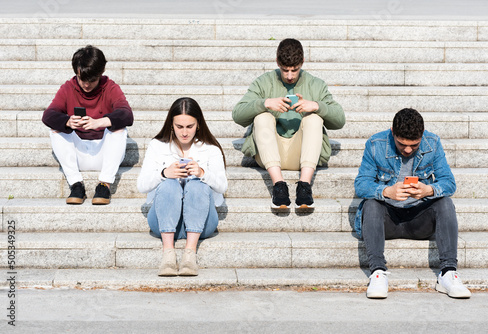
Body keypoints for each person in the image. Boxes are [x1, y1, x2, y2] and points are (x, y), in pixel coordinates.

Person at [354, 108, 471, 299]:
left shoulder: (432, 143)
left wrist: (429, 190)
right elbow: (361, 184)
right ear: (392, 132)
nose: (408, 150)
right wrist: (386, 191)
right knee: (371, 204)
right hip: (387, 220)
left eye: (414, 145)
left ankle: (448, 273)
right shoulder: (376, 144)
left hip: (419, 220)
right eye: (402, 144)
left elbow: (449, 183)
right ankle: (377, 272)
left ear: (422, 136)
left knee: (445, 203)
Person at [232, 38, 345, 209]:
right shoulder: (264, 81)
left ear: (303, 62)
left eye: (295, 70)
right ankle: (279, 186)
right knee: (262, 117)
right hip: (269, 154)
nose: (290, 76)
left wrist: (315, 106)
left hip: (302, 155)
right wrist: (265, 103)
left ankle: (304, 186)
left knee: (314, 118)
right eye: (285, 70)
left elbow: (340, 120)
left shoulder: (316, 84)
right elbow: (237, 115)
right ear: (277, 62)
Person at [137, 97, 227, 277]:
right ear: (171, 125)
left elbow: (223, 186)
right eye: (179, 127)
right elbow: (141, 186)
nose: (184, 132)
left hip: (203, 222)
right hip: (163, 221)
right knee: (169, 183)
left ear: (198, 125)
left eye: (189, 126)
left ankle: (189, 254)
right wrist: (164, 173)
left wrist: (202, 173)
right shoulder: (157, 146)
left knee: (196, 184)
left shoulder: (210, 149)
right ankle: (168, 254)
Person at [42, 45, 133, 205]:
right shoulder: (68, 88)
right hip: (78, 153)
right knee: (56, 129)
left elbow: (127, 114)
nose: (86, 84)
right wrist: (68, 122)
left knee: (119, 128)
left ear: (101, 73)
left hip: (105, 154)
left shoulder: (110, 87)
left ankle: (104, 184)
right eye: (82, 78)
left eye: (92, 80)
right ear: (76, 72)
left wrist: (99, 122)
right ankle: (76, 184)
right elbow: (48, 115)